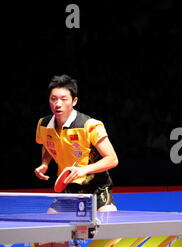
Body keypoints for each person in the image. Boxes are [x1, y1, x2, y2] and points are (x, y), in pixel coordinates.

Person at [34, 75, 119, 211]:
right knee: (51, 223)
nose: (58, 104)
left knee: (106, 223)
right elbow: (47, 144)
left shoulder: (89, 125)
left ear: (74, 101)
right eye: (53, 99)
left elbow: (112, 159)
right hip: (68, 186)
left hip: (96, 186)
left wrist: (83, 170)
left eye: (63, 99)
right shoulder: (43, 125)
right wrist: (45, 163)